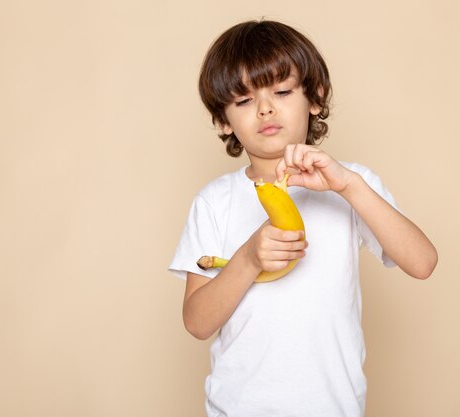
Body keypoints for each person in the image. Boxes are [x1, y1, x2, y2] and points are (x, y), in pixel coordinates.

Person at [168, 19, 438, 417]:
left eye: (281, 91)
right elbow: (197, 322)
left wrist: (349, 186)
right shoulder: (214, 202)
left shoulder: (350, 186)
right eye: (243, 101)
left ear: (315, 97)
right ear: (223, 120)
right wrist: (247, 259)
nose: (265, 108)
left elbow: (423, 262)